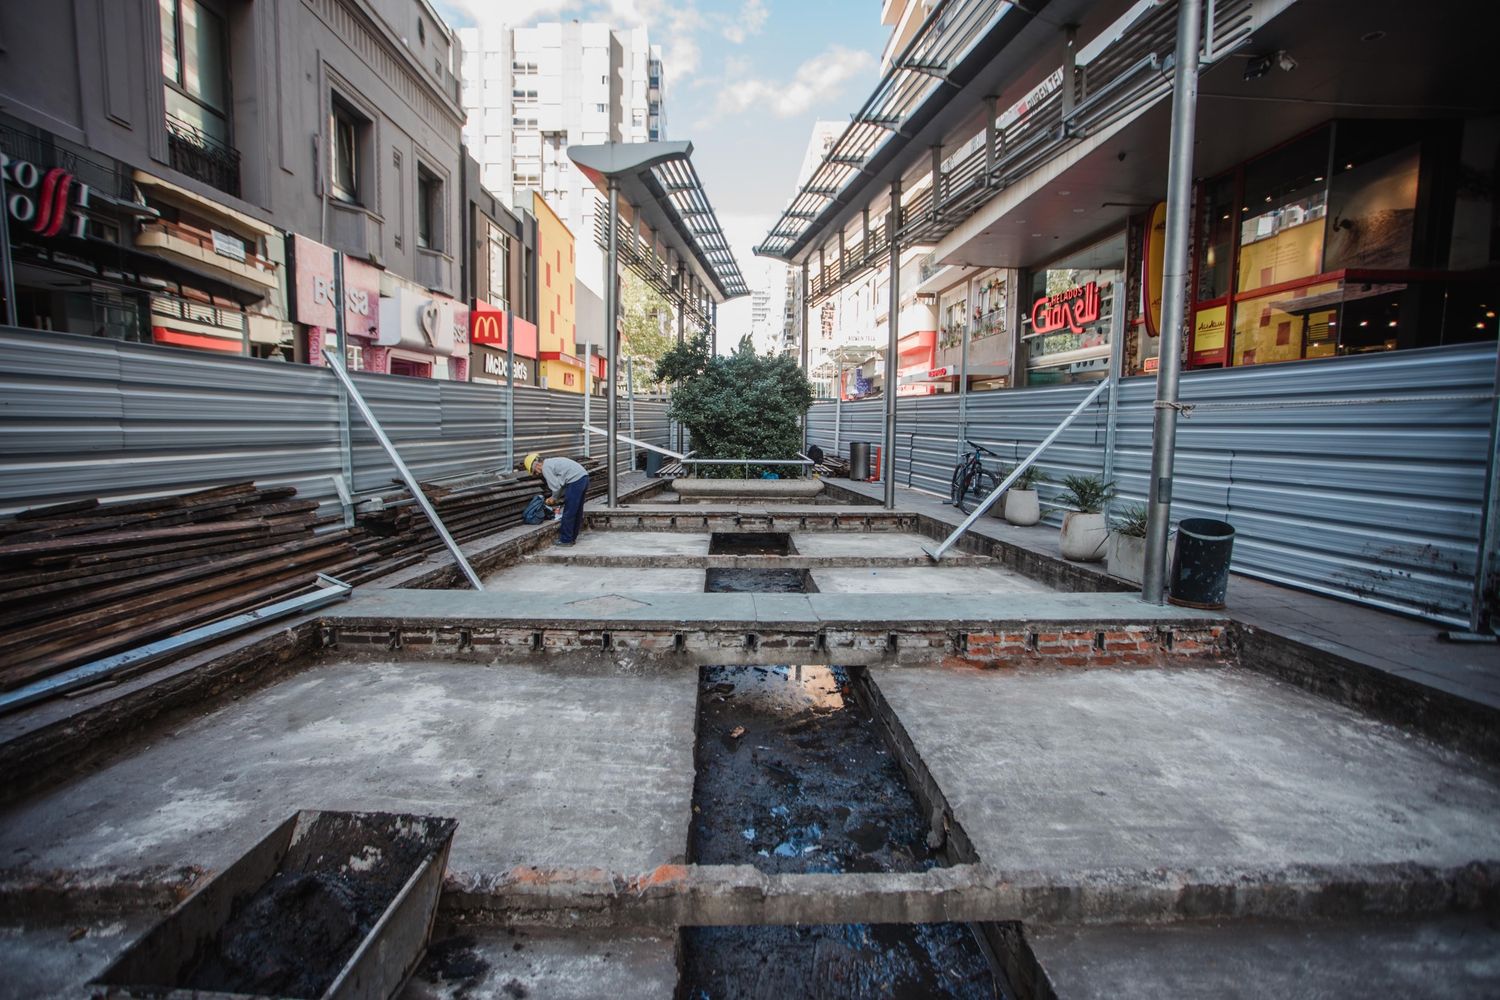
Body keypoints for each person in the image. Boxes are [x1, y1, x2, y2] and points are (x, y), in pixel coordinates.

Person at [523, 452, 590, 545]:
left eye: (535, 471)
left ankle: (566, 540)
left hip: (575, 481)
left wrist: (553, 498)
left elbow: (556, 487)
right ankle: (572, 538)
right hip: (584, 478)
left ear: (537, 465)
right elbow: (560, 485)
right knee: (577, 511)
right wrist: (556, 497)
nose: (538, 473)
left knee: (568, 512)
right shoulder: (551, 462)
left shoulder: (546, 468)